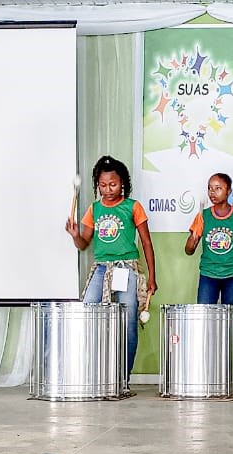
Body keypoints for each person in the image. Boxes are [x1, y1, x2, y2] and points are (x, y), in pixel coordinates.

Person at [66, 155, 157, 376]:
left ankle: (122, 377)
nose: (108, 189)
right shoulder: (94, 209)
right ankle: (91, 373)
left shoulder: (132, 207)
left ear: (123, 183)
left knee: (128, 321)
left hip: (127, 268)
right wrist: (75, 235)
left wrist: (152, 277)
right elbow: (83, 244)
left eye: (113, 184)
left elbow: (146, 242)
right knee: (87, 312)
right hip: (101, 269)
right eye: (103, 185)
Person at [184, 173, 233, 305]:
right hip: (208, 275)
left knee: (230, 318)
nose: (212, 192)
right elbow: (189, 251)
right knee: (205, 318)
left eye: (218, 188)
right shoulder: (203, 216)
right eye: (210, 188)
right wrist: (193, 238)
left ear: (229, 191)